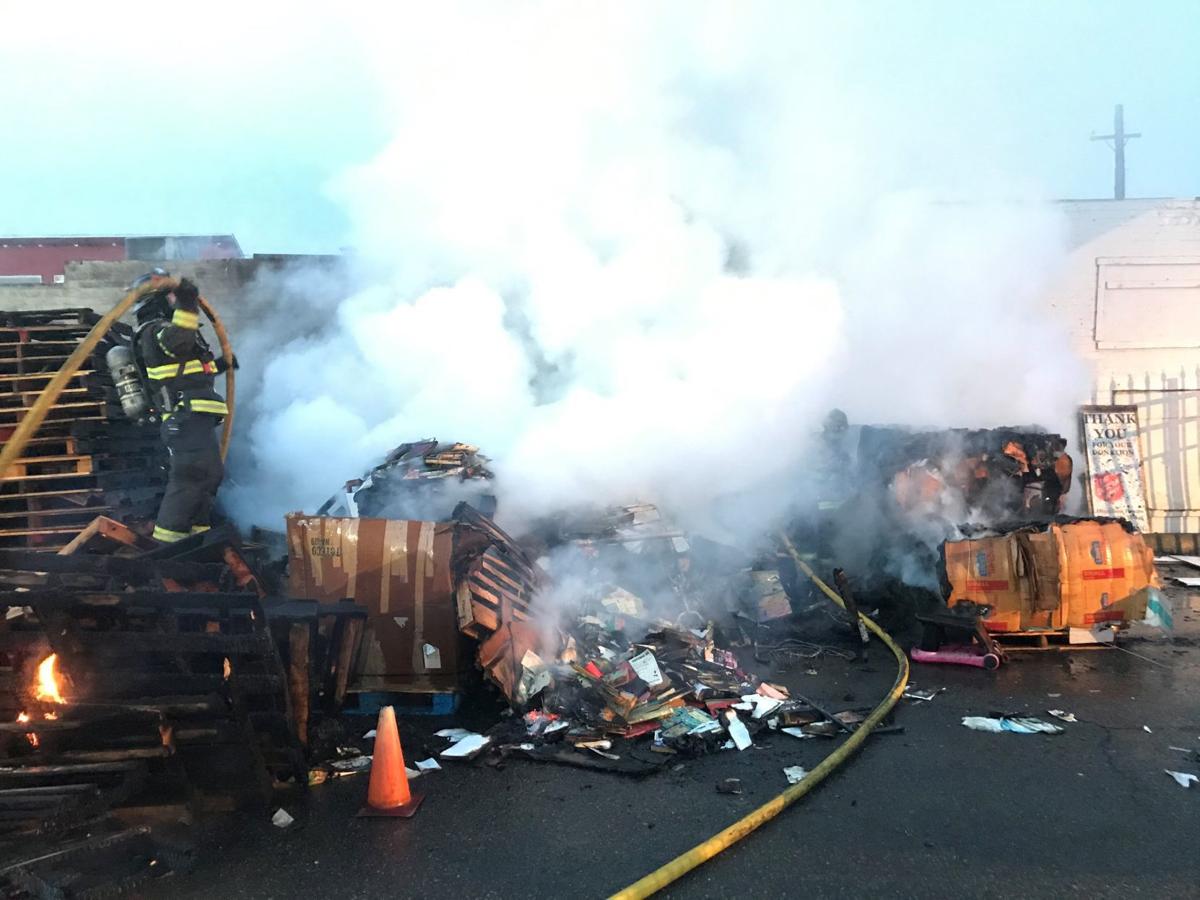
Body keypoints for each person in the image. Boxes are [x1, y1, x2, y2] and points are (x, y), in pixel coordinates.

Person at [130, 269, 230, 543]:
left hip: (193, 417)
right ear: (158, 300)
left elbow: (187, 371)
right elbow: (179, 341)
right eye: (173, 296)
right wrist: (188, 301)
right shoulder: (156, 331)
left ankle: (197, 543)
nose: (176, 300)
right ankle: (167, 549)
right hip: (182, 418)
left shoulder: (167, 333)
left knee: (209, 476)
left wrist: (220, 366)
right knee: (191, 477)